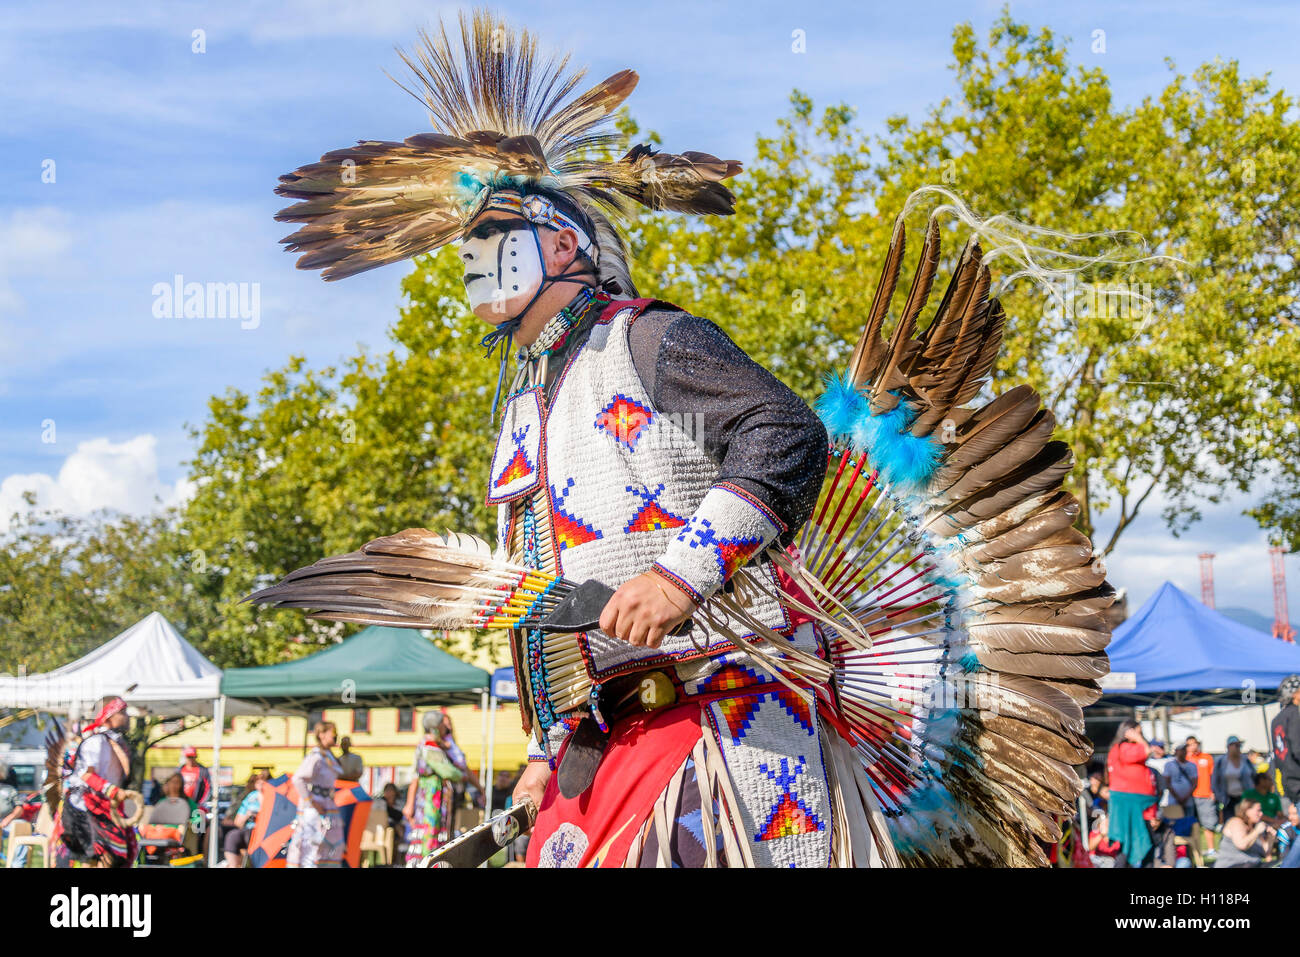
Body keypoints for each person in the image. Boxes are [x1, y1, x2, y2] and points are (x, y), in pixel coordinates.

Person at [265, 8, 1116, 868]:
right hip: (607, 739)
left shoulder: (647, 340)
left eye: (493, 238)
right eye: (466, 249)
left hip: (732, 729)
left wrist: (682, 575)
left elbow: (784, 433)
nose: (473, 262)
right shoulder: (526, 408)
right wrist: (541, 752)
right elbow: (541, 601)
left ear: (563, 242)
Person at [51, 696, 142, 868]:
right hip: (86, 808)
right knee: (98, 859)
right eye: (122, 712)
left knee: (111, 859)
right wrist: (113, 791)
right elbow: (86, 775)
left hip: (105, 807)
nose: (127, 716)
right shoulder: (95, 742)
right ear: (108, 715)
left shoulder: (113, 742)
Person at [403, 712, 465, 865]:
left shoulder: (429, 744)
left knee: (431, 830)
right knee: (430, 830)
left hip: (430, 794)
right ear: (435, 727)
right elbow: (447, 771)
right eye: (442, 725)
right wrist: (459, 774)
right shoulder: (430, 745)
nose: (445, 727)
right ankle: (428, 862)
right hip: (432, 795)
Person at [287, 721, 344, 868]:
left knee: (327, 847)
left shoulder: (328, 757)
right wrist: (311, 801)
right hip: (314, 809)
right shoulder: (316, 756)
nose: (336, 737)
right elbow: (298, 779)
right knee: (311, 846)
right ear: (322, 734)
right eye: (333, 733)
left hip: (326, 805)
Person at [1106, 720, 1157, 866]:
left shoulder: (1123, 748)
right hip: (1130, 804)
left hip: (1137, 804)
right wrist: (1139, 739)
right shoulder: (1124, 747)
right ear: (1128, 732)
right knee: (1130, 844)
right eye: (1138, 732)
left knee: (1138, 843)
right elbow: (1147, 751)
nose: (1141, 736)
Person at [222, 770, 269, 868]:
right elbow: (238, 822)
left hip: (264, 833)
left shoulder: (272, 797)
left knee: (252, 838)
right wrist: (248, 815)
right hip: (248, 830)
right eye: (258, 782)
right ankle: (233, 865)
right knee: (232, 836)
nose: (260, 785)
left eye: (263, 782)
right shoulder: (251, 797)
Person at [1213, 797, 1274, 868]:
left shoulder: (1255, 827)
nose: (1261, 814)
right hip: (1233, 865)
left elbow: (1265, 853)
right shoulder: (1236, 822)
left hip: (1254, 864)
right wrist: (1256, 832)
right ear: (1246, 810)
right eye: (1258, 810)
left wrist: (1271, 837)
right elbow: (1242, 845)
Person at [1186, 735, 1218, 855]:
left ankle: (1211, 849)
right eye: (1189, 744)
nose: (1192, 746)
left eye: (1194, 743)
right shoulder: (1185, 759)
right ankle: (1193, 851)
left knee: (1208, 824)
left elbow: (1213, 776)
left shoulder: (1207, 757)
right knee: (1190, 825)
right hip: (1189, 796)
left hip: (1205, 795)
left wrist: (1213, 791)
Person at [1271, 674, 1300, 806]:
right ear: (1295, 694)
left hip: (1289, 783)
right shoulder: (1295, 714)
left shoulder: (1277, 720)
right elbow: (1298, 749)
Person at [1212, 735, 1254, 821]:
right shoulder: (1221, 762)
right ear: (1229, 746)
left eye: (1239, 745)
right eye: (1236, 745)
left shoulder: (1245, 760)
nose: (1238, 748)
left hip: (1245, 798)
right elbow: (1215, 781)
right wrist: (1220, 797)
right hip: (1228, 799)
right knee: (1230, 821)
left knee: (1246, 821)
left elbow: (1254, 776)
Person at [0, 790, 41, 867]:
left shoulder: (9, 788)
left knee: (22, 825)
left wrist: (8, 819)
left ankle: (18, 865)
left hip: (9, 822)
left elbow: (19, 808)